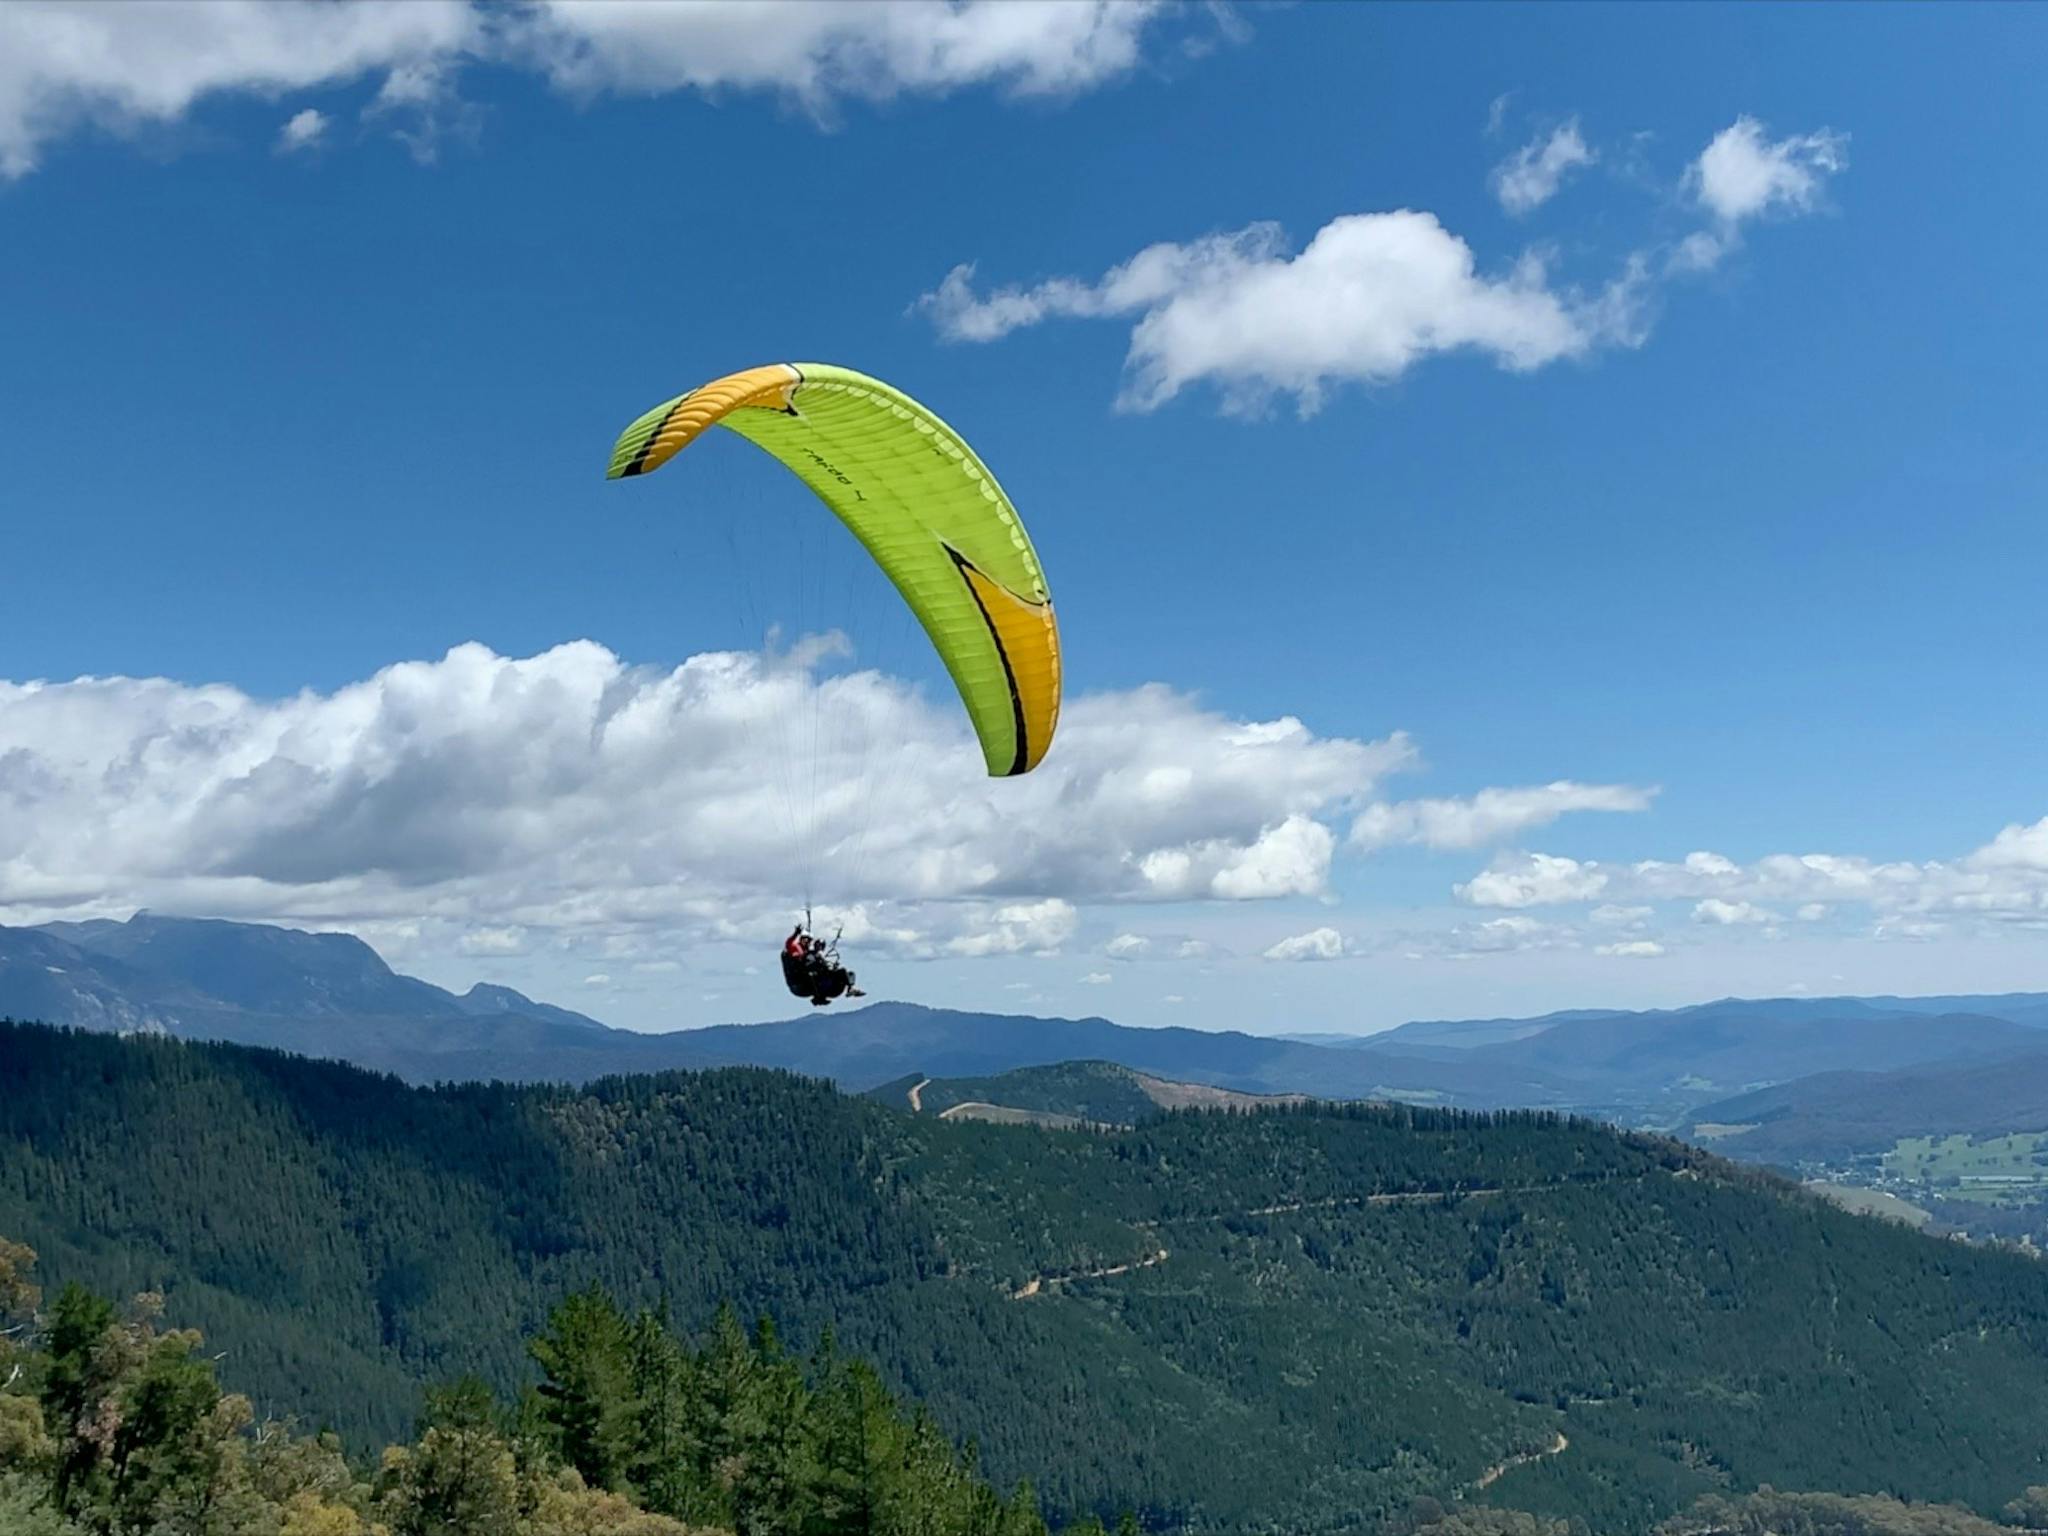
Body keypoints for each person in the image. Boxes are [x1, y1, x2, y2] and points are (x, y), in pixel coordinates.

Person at [780, 923, 864, 1005]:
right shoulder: (795, 947)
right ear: (801, 939)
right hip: (799, 984)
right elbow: (789, 943)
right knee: (813, 975)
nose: (807, 941)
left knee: (843, 973)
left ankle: (849, 989)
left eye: (809, 940)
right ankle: (819, 997)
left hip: (803, 984)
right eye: (805, 939)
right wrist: (795, 934)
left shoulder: (808, 953)